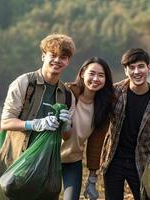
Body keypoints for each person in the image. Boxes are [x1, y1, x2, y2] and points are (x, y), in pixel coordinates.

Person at [0, 33, 75, 198]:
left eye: (63, 57)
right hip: (16, 162)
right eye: (53, 55)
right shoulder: (24, 83)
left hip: (45, 167)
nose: (57, 61)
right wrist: (34, 124)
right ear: (43, 56)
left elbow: (66, 137)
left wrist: (67, 125)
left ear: (68, 61)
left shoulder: (67, 95)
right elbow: (6, 122)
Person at [100, 48, 150, 200]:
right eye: (131, 67)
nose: (137, 71)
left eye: (141, 66)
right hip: (114, 159)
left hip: (142, 160)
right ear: (125, 70)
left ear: (148, 68)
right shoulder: (115, 92)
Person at [61, 57, 114, 200]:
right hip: (50, 158)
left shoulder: (103, 106)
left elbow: (95, 144)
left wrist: (92, 178)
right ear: (83, 73)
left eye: (101, 75)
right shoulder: (67, 93)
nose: (96, 79)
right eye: (92, 73)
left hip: (72, 161)